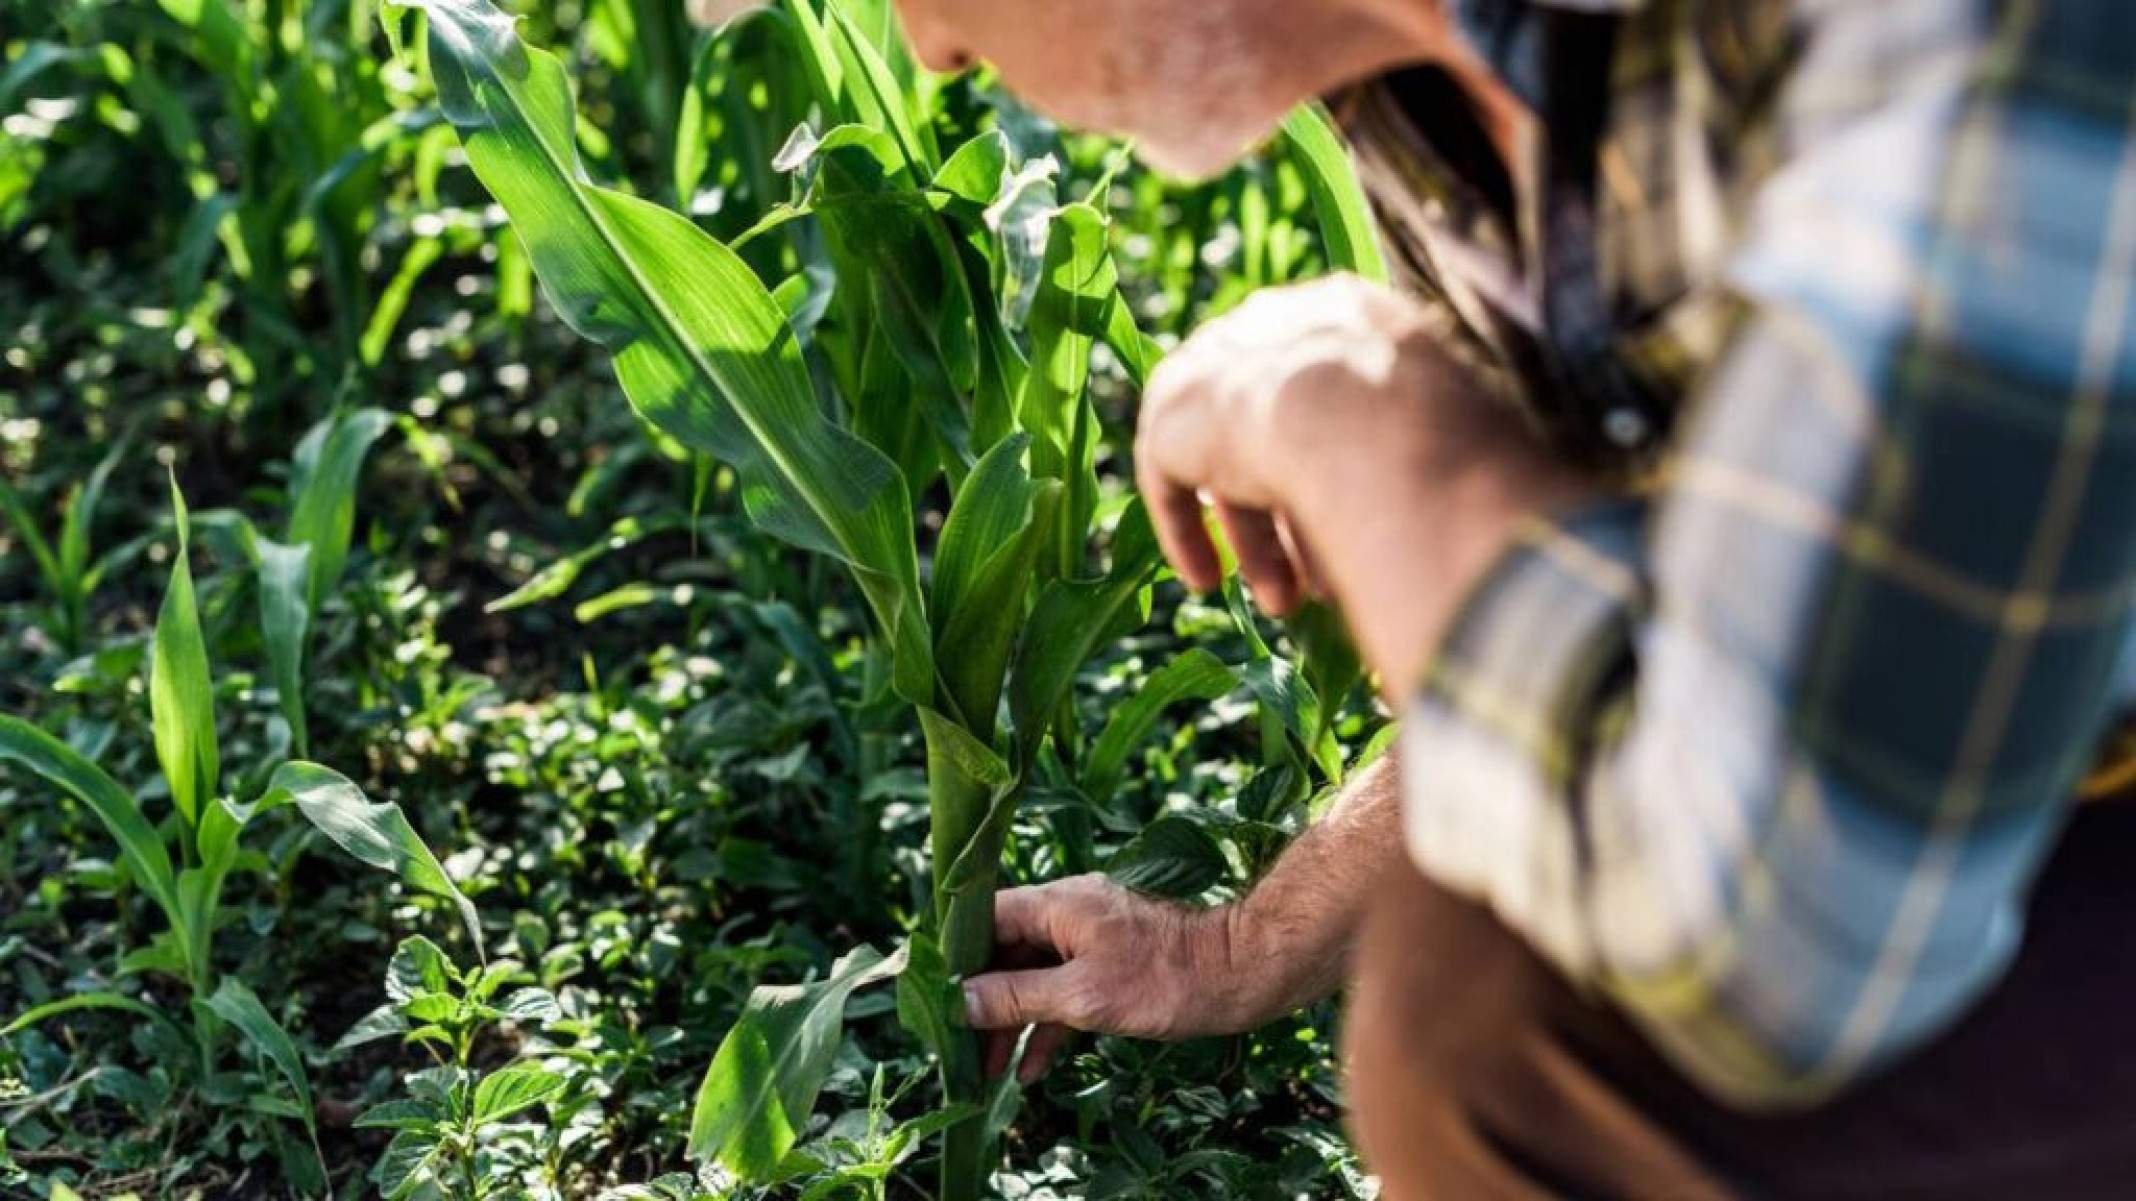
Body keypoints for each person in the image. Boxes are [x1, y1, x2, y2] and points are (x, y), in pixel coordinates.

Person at [884, 0, 2136, 1196]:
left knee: (1504, 1029)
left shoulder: (1942, 39)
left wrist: (1378, 433)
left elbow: (1773, 951)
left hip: (1960, 841)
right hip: (1994, 770)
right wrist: (1233, 948)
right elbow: (1615, 656)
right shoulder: (1429, 105)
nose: (927, 47)